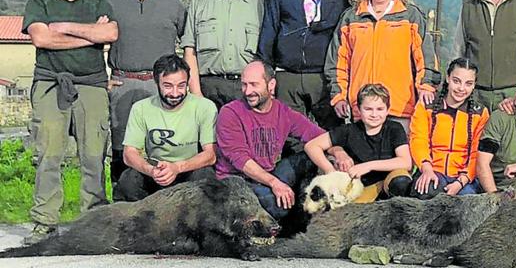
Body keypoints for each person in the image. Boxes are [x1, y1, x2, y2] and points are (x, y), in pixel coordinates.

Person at [22, 0, 119, 244]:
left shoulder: (98, 3)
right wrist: (89, 34)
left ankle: (93, 220)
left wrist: (62, 29)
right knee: (49, 154)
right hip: (50, 84)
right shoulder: (39, 3)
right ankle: (45, 222)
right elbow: (41, 37)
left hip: (91, 85)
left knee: (93, 155)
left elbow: (110, 34)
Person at [104, 0, 187, 186]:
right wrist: (101, 77)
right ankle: (122, 202)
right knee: (123, 148)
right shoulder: (108, 2)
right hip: (123, 85)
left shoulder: (173, 3)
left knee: (164, 146)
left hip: (162, 87)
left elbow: (191, 44)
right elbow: (92, 42)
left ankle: (160, 208)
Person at [259, 0, 352, 129]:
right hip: (287, 76)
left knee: (333, 137)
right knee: (292, 139)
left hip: (326, 78)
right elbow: (269, 29)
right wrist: (266, 76)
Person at [326, 0, 432, 128]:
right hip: (361, 110)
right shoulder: (351, 17)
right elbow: (337, 64)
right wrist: (338, 97)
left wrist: (426, 87)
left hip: (400, 110)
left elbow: (425, 60)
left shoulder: (410, 16)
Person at [214, 61, 325, 220]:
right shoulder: (230, 113)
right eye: (244, 85)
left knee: (311, 157)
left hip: (268, 173)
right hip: (238, 180)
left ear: (271, 85)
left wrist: (339, 153)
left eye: (254, 85)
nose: (248, 91)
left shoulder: (283, 112)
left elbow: (317, 135)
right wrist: (275, 183)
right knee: (277, 205)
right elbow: (240, 160)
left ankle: (302, 208)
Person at [115, 55, 218, 202]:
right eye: (168, 86)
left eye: (181, 86)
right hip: (155, 169)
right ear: (157, 82)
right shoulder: (141, 108)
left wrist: (177, 168)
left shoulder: (205, 107)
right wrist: (151, 170)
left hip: (188, 169)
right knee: (128, 180)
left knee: (205, 177)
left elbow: (211, 155)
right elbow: (129, 154)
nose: (175, 93)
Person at [180, 0, 264, 107]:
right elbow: (190, 50)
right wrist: (197, 95)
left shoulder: (263, 0)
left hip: (249, 89)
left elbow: (270, 52)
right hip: (208, 89)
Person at [304, 84, 412, 203]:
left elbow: (405, 162)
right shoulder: (349, 130)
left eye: (380, 109)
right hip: (362, 185)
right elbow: (311, 146)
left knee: (401, 181)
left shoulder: (394, 129)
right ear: (359, 109)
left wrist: (368, 166)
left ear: (387, 110)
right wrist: (330, 171)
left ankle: (395, 216)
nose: (374, 114)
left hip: (388, 180)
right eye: (368, 109)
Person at [408, 58, 490, 198]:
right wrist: (426, 169)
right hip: (433, 171)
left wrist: (461, 181)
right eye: (456, 81)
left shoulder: (480, 113)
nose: (461, 88)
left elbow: (476, 154)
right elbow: (418, 140)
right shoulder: (427, 106)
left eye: (468, 83)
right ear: (447, 78)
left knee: (468, 202)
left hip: (464, 178)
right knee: (425, 190)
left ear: (474, 85)